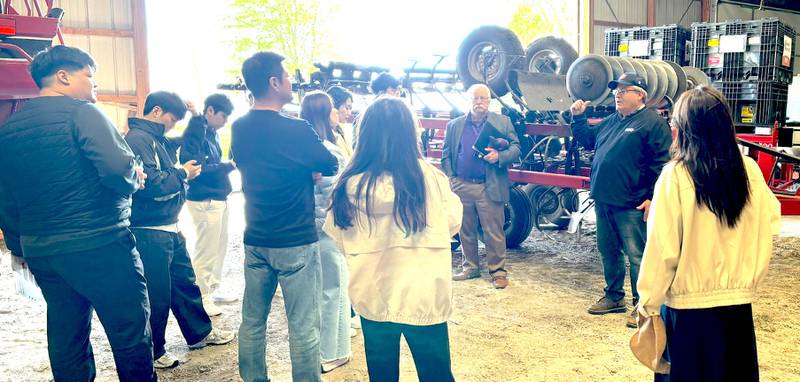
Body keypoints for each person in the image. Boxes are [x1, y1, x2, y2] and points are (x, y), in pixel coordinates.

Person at [0, 45, 156, 381]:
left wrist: (18, 247)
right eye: (90, 77)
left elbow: (6, 198)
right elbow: (117, 169)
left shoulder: (9, 129)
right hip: (99, 243)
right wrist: (136, 176)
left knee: (67, 333)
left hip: (43, 251)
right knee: (129, 329)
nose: (93, 87)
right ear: (62, 76)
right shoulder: (82, 113)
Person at [635, 86, 780, 381]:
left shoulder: (675, 176)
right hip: (737, 309)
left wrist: (647, 302)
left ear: (685, 129)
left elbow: (662, 249)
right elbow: (771, 219)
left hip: (689, 314)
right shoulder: (749, 170)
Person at [324, 96, 462, 382]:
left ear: (365, 134)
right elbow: (452, 222)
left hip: (372, 292)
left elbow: (339, 236)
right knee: (436, 373)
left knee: (382, 374)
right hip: (424, 292)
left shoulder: (350, 184)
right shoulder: (429, 178)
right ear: (409, 134)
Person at [233, 51, 338, 382]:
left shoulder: (238, 127)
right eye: (287, 76)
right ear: (273, 82)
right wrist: (307, 171)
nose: (292, 81)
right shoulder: (296, 129)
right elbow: (330, 164)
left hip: (256, 239)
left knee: (252, 322)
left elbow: (246, 164)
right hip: (295, 240)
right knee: (304, 327)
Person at [125, 91, 235, 369]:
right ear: (157, 111)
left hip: (168, 226)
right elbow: (151, 184)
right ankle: (155, 350)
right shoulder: (138, 140)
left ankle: (199, 333)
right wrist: (183, 173)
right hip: (149, 229)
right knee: (157, 293)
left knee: (184, 284)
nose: (173, 126)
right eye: (172, 120)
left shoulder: (156, 139)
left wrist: (196, 117)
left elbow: (187, 142)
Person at [570, 72, 671, 327]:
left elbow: (661, 164)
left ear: (640, 95)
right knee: (608, 251)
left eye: (625, 90)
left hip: (632, 203)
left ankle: (643, 305)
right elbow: (589, 140)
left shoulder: (652, 123)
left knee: (637, 255)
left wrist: (651, 197)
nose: (618, 93)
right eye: (617, 89)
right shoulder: (612, 121)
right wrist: (578, 117)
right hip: (604, 199)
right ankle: (614, 297)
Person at [442, 83, 521, 289]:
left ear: (489, 101)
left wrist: (499, 156)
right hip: (462, 186)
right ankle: (470, 267)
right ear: (468, 101)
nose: (479, 102)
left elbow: (516, 149)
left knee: (493, 230)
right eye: (475, 99)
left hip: (489, 185)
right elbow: (446, 155)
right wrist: (452, 178)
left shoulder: (502, 122)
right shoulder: (455, 125)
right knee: (465, 229)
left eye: (483, 98)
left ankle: (498, 271)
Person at [300, 90, 352, 372]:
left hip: (305, 227)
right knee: (333, 288)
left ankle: (326, 348)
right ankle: (331, 351)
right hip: (328, 228)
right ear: (323, 114)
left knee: (317, 290)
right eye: (333, 109)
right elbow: (340, 192)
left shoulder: (299, 149)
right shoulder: (328, 152)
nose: (338, 114)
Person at [180, 93, 237, 317]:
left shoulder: (210, 132)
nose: (225, 121)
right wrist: (229, 166)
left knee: (219, 247)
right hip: (204, 199)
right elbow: (197, 167)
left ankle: (212, 288)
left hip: (218, 197)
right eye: (223, 116)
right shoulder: (197, 131)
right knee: (206, 250)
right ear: (210, 111)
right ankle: (201, 295)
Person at [326, 85, 355, 156]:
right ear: (333, 107)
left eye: (350, 109)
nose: (349, 113)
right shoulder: (326, 134)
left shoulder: (339, 129)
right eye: (347, 107)